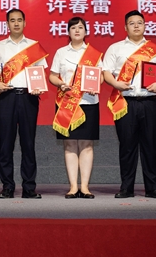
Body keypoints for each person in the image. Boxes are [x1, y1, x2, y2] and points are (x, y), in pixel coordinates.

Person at [102, 10, 156, 199]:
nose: (136, 26)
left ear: (144, 26)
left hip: (150, 102)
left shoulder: (155, 49)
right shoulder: (115, 48)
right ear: (125, 27)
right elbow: (106, 71)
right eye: (132, 23)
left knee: (150, 145)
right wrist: (115, 83)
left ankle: (152, 188)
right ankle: (126, 187)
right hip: (125, 102)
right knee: (127, 146)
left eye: (139, 22)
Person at [0, 8, 48, 199]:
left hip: (29, 97)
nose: (16, 23)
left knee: (28, 143)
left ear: (25, 23)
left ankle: (29, 187)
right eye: (12, 20)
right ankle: (7, 187)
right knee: (6, 144)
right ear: (7, 24)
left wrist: (38, 87)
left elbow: (40, 72)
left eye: (19, 20)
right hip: (7, 97)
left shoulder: (34, 46)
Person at [48, 17, 103, 199]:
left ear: (86, 31)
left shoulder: (94, 53)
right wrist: (60, 84)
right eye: (73, 28)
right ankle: (73, 187)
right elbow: (53, 76)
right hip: (66, 103)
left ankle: (85, 187)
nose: (77, 30)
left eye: (80, 27)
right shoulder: (61, 52)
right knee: (70, 144)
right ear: (68, 32)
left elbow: (101, 76)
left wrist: (95, 84)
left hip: (88, 102)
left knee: (87, 145)